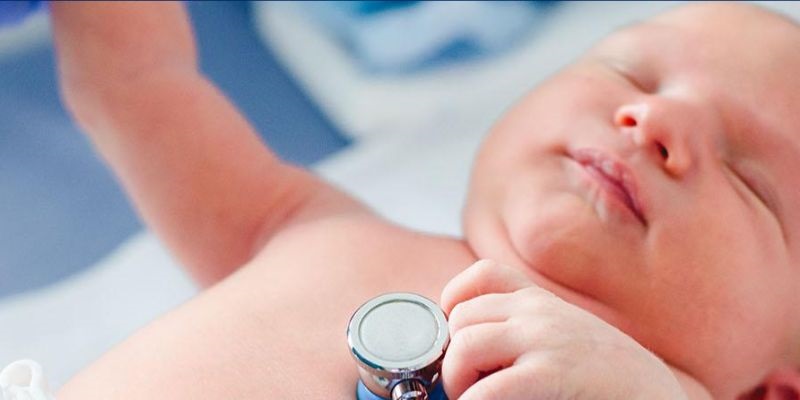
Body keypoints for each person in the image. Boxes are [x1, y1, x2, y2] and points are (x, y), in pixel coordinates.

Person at [39, 1, 800, 399]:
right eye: (630, 72)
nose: (655, 119)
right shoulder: (306, 227)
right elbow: (138, 88)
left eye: (750, 181)